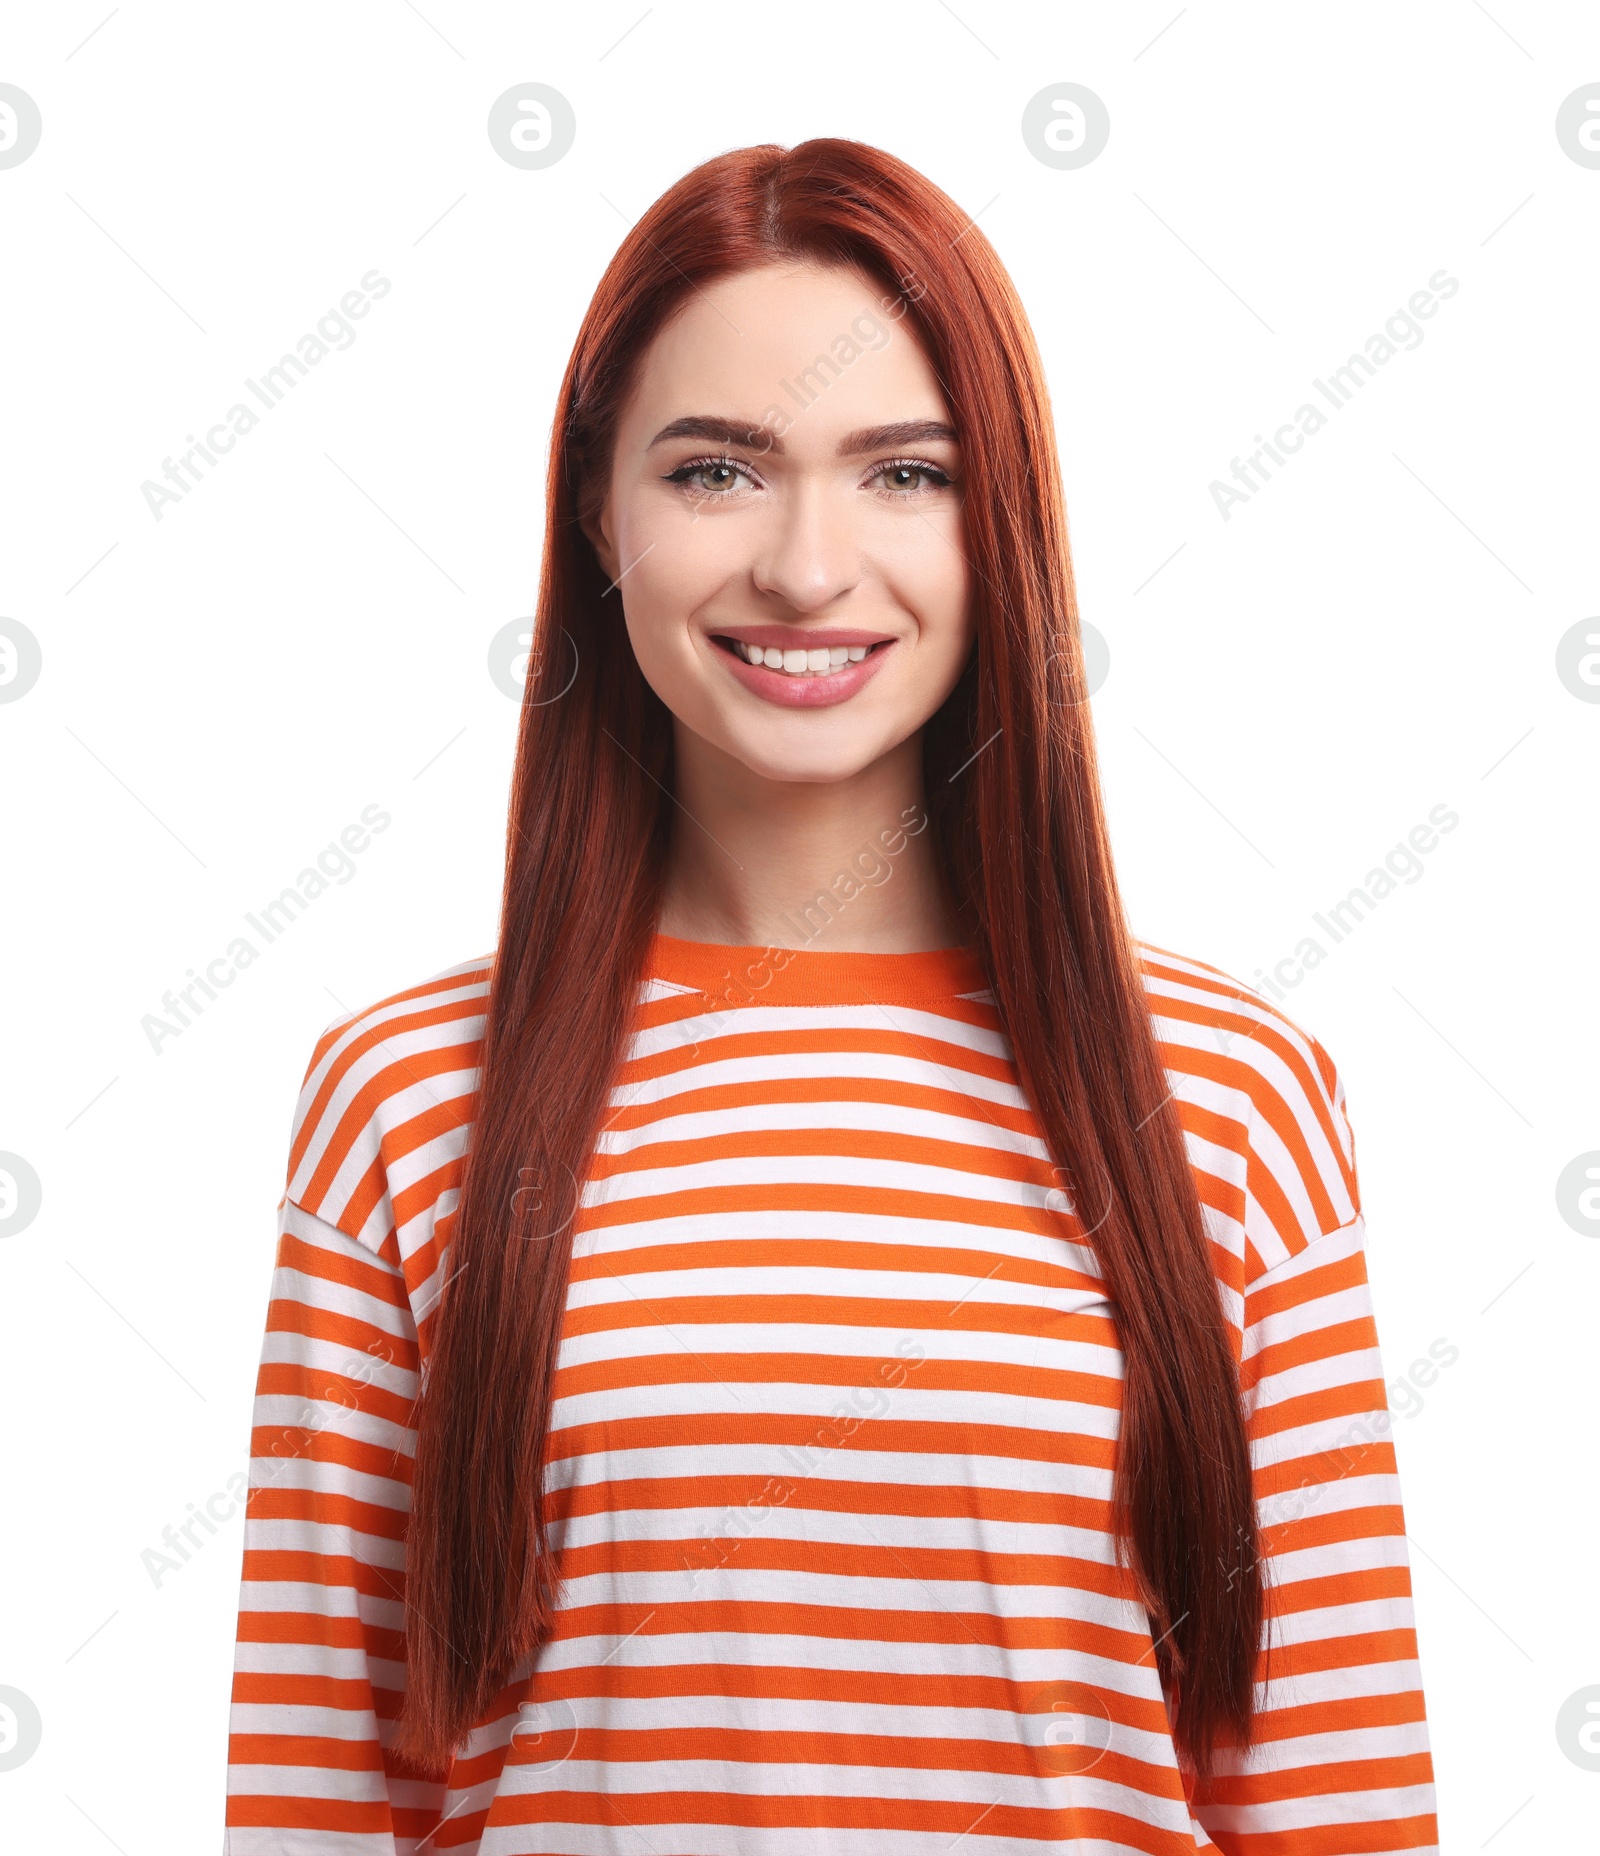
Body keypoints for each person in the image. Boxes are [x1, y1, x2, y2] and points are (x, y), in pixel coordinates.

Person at [225, 138, 1437, 1854]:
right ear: (598, 511)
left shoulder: (1232, 1100)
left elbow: (1332, 1805)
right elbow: (324, 1809)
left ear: (999, 517)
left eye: (906, 475)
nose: (806, 568)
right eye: (718, 470)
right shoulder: (404, 1100)